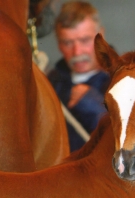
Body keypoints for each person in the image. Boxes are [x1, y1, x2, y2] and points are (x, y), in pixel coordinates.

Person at [47, 1, 109, 152]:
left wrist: (95, 107)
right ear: (59, 45)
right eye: (67, 42)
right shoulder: (50, 83)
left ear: (101, 35)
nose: (77, 52)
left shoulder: (123, 80)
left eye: (85, 40)